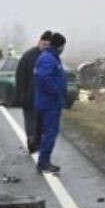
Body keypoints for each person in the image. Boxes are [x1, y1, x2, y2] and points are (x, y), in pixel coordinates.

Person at [34, 32, 68, 174]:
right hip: (49, 103)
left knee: (49, 132)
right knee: (50, 132)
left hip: (50, 102)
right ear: (59, 46)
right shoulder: (49, 59)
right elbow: (44, 78)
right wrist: (56, 92)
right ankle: (44, 162)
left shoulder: (51, 57)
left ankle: (44, 160)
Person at [15, 31, 52, 153]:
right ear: (39, 42)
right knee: (31, 120)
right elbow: (20, 77)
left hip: (44, 96)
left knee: (40, 121)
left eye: (48, 45)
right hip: (30, 96)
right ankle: (32, 141)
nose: (46, 47)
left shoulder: (50, 57)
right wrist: (20, 95)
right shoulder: (28, 57)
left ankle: (36, 141)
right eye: (44, 44)